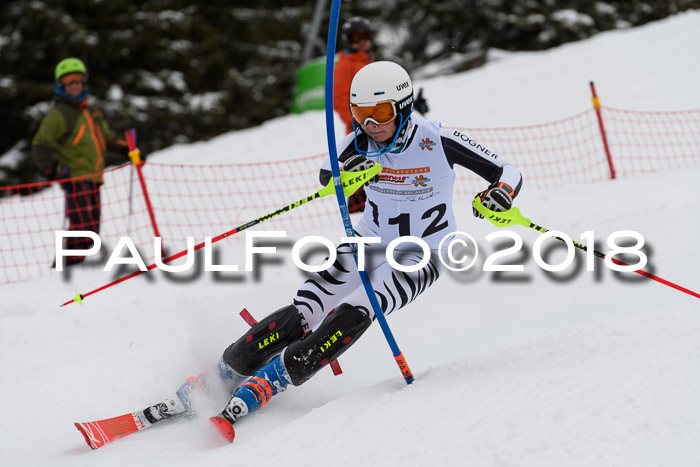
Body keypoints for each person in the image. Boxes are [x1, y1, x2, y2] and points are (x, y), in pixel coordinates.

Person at [131, 61, 524, 443]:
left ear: (403, 107)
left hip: (422, 252)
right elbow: (327, 173)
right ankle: (219, 375)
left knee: (357, 309)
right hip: (368, 241)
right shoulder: (362, 141)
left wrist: (500, 194)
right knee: (305, 307)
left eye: (381, 113)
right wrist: (346, 171)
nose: (371, 124)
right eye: (362, 114)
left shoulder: (435, 139)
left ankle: (270, 382)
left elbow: (507, 171)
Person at [31, 57, 127, 267]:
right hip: (74, 178)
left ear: (84, 82)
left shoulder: (92, 112)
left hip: (94, 178)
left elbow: (106, 139)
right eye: (69, 81)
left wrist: (126, 149)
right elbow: (40, 143)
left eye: (78, 79)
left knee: (92, 231)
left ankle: (74, 268)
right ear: (61, 85)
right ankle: (63, 270)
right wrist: (48, 169)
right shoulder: (59, 114)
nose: (74, 85)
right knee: (82, 230)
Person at [334, 16, 375, 213]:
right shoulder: (345, 64)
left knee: (379, 167)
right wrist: (355, 120)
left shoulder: (367, 60)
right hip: (359, 126)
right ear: (349, 39)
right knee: (360, 170)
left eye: (366, 35)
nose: (363, 40)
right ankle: (357, 213)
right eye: (358, 36)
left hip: (378, 123)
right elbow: (339, 97)